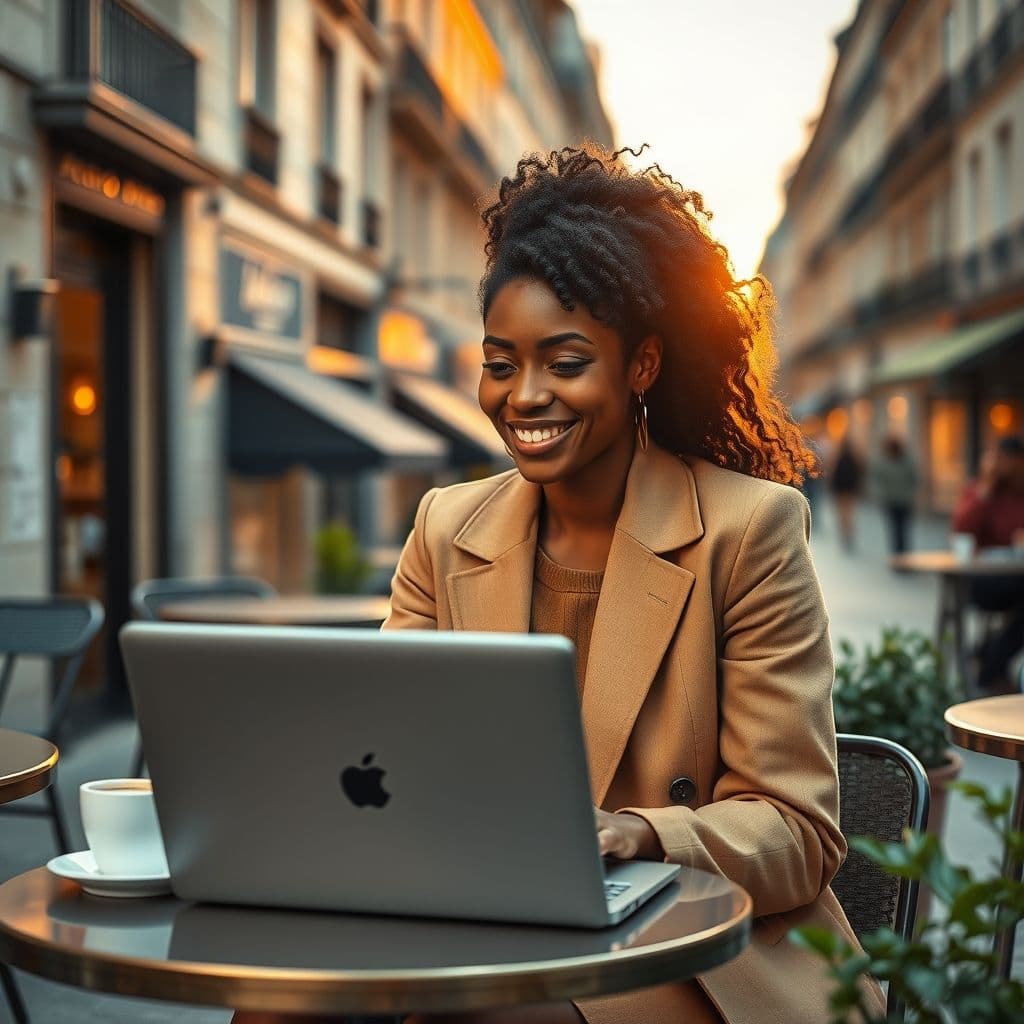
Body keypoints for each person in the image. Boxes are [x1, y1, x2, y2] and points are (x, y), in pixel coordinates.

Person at [380, 145, 884, 1024]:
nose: (523, 396)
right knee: (280, 996)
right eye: (502, 363)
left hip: (691, 952)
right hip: (492, 921)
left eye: (565, 362)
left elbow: (798, 833)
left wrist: (638, 832)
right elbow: (379, 753)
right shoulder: (443, 528)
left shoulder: (748, 530)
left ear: (641, 366)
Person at [952, 434, 1024, 693]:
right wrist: (986, 487)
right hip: (984, 581)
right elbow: (962, 529)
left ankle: (987, 656)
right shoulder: (980, 489)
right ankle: (990, 665)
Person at [871, 434, 918, 557]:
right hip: (902, 500)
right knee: (902, 529)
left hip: (894, 500)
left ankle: (899, 555)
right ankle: (902, 555)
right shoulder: (906, 461)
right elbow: (914, 479)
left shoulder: (885, 461)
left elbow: (878, 480)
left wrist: (881, 494)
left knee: (896, 529)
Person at [828, 437, 863, 552]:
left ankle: (844, 533)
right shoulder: (854, 458)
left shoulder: (837, 458)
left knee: (842, 513)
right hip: (850, 488)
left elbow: (833, 474)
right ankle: (849, 533)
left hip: (840, 488)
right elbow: (859, 473)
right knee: (849, 512)